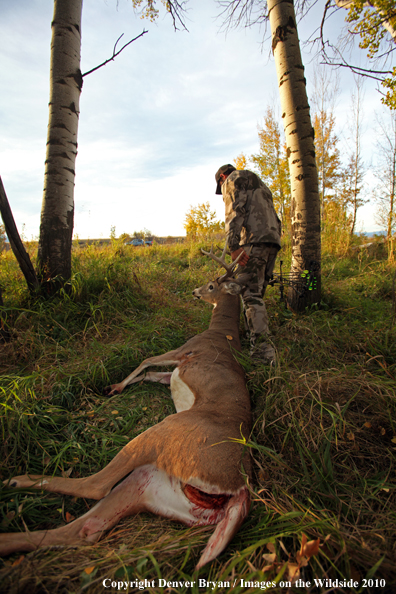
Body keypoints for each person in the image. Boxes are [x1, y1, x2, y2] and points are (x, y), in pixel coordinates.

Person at [215, 164, 281, 362]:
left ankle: (262, 353)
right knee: (258, 292)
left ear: (222, 176)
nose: (223, 187)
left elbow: (234, 212)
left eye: (221, 183)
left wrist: (234, 245)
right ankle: (252, 336)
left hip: (252, 241)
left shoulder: (232, 179)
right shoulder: (260, 184)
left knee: (251, 295)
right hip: (272, 240)